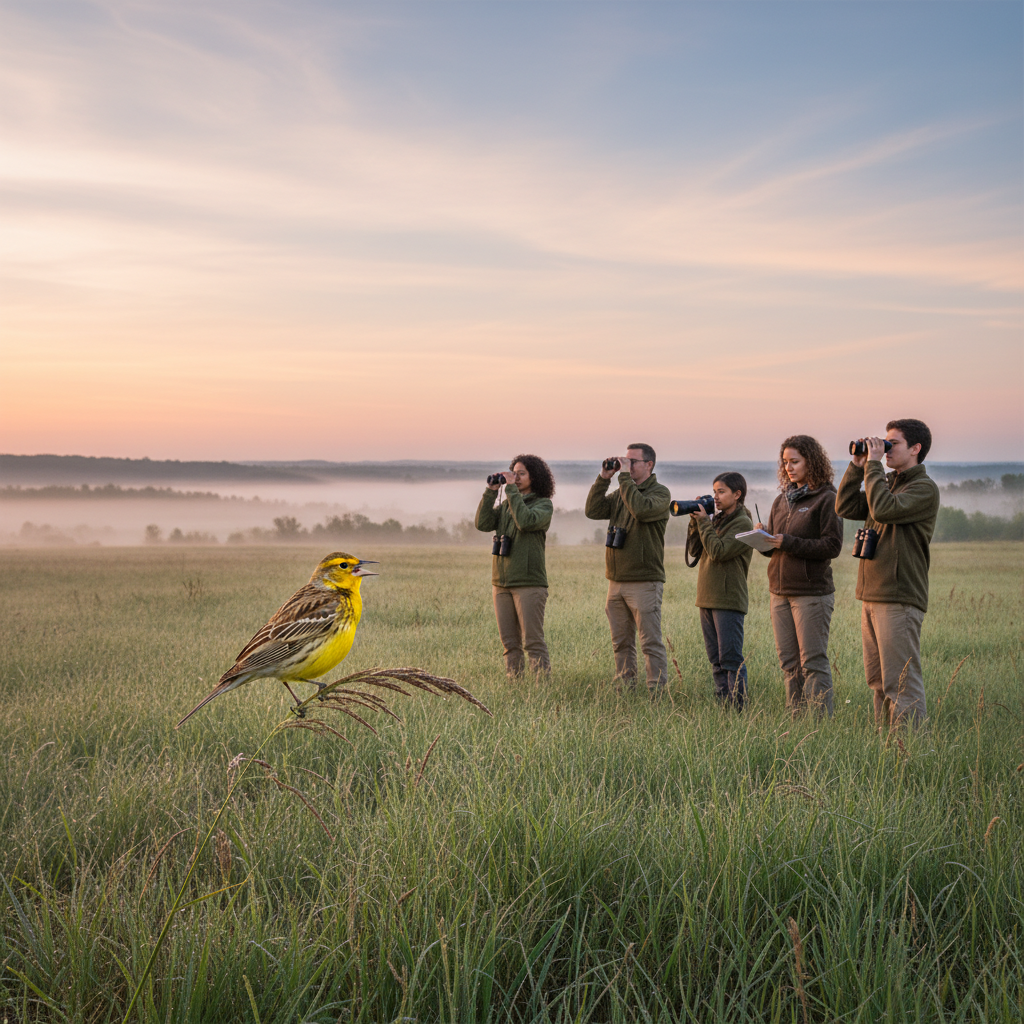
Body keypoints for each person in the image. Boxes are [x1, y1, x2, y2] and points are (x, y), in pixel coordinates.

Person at [835, 419, 939, 729]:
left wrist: (875, 466)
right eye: (884, 442)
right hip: (873, 593)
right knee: (878, 681)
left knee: (901, 683)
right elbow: (844, 506)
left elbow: (882, 510)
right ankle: (886, 748)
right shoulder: (889, 482)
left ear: (916, 449)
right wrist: (857, 467)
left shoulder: (923, 488)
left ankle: (909, 754)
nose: (885, 449)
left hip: (899, 595)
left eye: (892, 443)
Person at [756, 435, 844, 718]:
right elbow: (774, 550)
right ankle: (795, 720)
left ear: (812, 461)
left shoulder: (828, 498)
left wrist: (788, 542)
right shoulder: (781, 500)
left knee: (813, 662)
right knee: (788, 663)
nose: (789, 468)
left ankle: (819, 724)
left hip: (811, 593)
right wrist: (763, 539)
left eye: (795, 461)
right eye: (785, 463)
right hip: (779, 591)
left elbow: (832, 546)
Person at [585, 443, 671, 696]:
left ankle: (656, 692)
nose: (628, 466)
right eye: (626, 461)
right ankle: (625, 688)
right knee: (621, 642)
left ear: (649, 465)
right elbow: (592, 511)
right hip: (616, 580)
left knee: (650, 642)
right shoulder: (623, 491)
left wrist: (623, 478)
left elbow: (641, 510)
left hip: (644, 581)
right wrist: (603, 478)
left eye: (633, 462)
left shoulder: (660, 493)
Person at [475, 454, 555, 677]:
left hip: (528, 582)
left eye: (522, 474)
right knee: (510, 643)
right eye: (514, 473)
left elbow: (526, 521)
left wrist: (510, 490)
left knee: (533, 642)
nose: (517, 478)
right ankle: (515, 686)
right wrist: (490, 492)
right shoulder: (506, 506)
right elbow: (482, 524)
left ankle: (541, 688)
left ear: (534, 477)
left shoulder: (543, 504)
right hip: (501, 582)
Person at [686, 472, 754, 709]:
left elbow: (718, 551)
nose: (715, 496)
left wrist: (705, 522)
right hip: (707, 596)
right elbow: (696, 551)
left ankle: (738, 708)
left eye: (721, 491)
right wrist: (696, 521)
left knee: (731, 658)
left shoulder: (743, 522)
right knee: (716, 659)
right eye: (714, 491)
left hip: (728, 598)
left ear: (737, 495)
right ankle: (724, 706)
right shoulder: (718, 519)